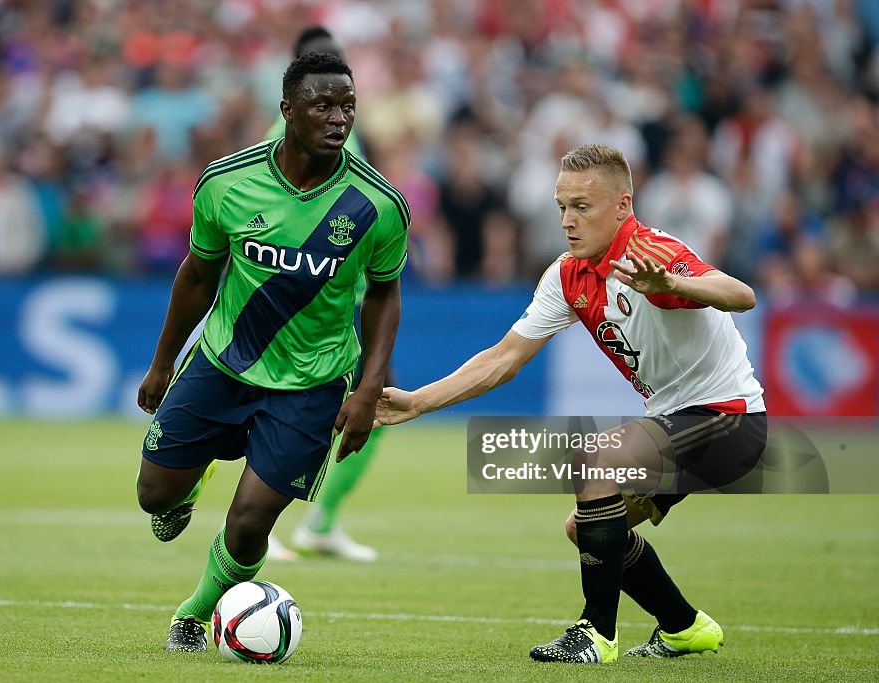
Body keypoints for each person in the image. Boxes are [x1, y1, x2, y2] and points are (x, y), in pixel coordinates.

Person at [376, 143, 766, 664]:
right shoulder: (567, 274)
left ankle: (595, 633)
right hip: (678, 421)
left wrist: (672, 283)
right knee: (586, 528)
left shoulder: (653, 253)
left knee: (594, 459)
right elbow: (503, 359)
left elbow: (741, 294)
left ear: (623, 205)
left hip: (730, 421)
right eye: (561, 206)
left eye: (582, 207)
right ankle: (683, 626)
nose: (566, 220)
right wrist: (419, 402)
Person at [135, 51, 408, 652]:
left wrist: (367, 390)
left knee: (252, 520)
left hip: (312, 383)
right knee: (154, 494)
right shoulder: (227, 183)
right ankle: (199, 471)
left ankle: (194, 613)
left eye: (348, 107)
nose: (338, 119)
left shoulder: (378, 205)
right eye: (323, 105)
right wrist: (161, 362)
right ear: (287, 110)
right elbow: (197, 276)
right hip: (222, 364)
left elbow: (384, 297)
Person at [263, 25, 382, 563]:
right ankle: (265, 519)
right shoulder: (279, 138)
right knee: (269, 404)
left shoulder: (346, 132)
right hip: (301, 299)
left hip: (346, 298)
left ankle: (321, 520)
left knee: (373, 405)